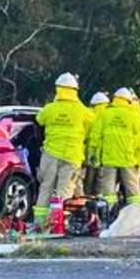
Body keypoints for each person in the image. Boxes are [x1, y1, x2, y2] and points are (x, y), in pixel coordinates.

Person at [34, 73, 93, 219]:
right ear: (75, 91)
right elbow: (92, 122)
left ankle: (40, 222)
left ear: (57, 89)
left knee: (45, 188)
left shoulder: (50, 108)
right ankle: (58, 223)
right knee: (64, 192)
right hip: (72, 156)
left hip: (50, 154)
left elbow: (39, 119)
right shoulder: (82, 110)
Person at [89, 87, 140, 208]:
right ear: (128, 101)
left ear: (114, 100)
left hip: (109, 158)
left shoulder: (105, 114)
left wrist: (94, 155)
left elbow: (95, 137)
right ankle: (137, 213)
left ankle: (108, 214)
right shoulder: (133, 116)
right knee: (133, 191)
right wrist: (139, 159)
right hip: (127, 159)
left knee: (107, 191)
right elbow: (138, 141)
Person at [83, 91, 110, 195]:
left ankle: (87, 203)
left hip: (90, 156)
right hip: (105, 157)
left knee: (88, 184)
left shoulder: (88, 115)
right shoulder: (109, 116)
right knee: (101, 185)